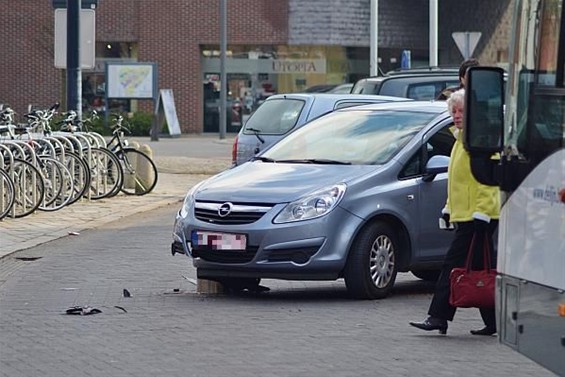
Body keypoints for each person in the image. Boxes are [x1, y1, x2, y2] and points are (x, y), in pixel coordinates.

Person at [409, 88, 500, 336]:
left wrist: (483, 212)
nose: (457, 115)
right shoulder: (460, 141)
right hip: (466, 215)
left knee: (453, 266)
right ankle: (494, 321)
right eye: (453, 111)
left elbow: (488, 181)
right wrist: (448, 209)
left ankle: (438, 316)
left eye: (461, 111)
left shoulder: (480, 140)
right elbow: (458, 182)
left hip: (478, 217)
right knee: (480, 267)